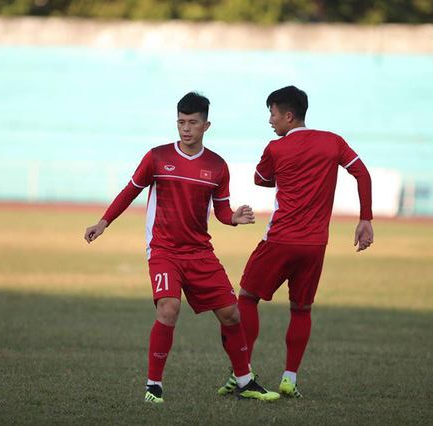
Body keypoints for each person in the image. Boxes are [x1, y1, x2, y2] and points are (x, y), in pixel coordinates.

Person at [84, 92, 280, 403]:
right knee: (169, 308)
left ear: (206, 125)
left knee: (231, 313)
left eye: (192, 123)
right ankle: (153, 386)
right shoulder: (157, 157)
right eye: (181, 122)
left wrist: (233, 218)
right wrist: (103, 222)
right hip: (164, 250)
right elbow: (130, 191)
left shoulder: (217, 166)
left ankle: (244, 381)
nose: (186, 128)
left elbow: (221, 210)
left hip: (200, 252)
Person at [218, 86, 374, 398]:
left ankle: (241, 373)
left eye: (273, 114)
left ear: (289, 116)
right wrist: (365, 219)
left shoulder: (276, 148)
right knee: (301, 309)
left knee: (247, 297)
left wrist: (289, 173)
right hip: (315, 245)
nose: (270, 121)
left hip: (280, 239)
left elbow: (260, 179)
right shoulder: (333, 141)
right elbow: (362, 174)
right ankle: (289, 378)